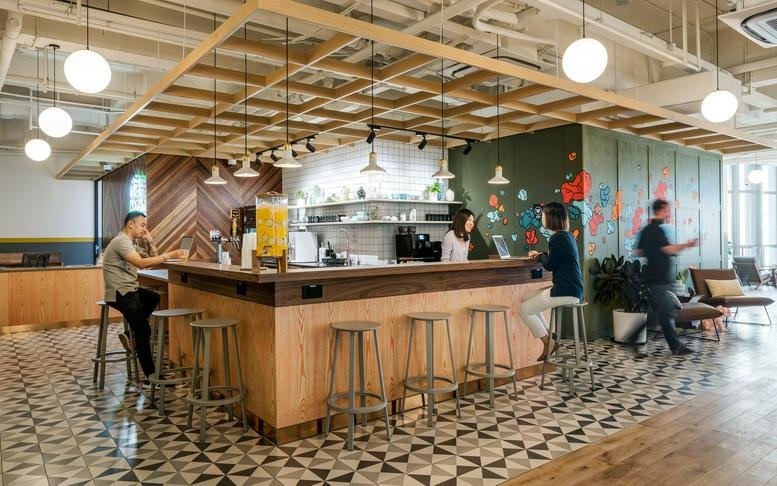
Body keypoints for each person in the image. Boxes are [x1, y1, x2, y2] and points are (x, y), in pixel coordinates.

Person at [102, 211, 188, 384]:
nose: (144, 229)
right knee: (144, 331)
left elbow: (151, 258)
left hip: (129, 290)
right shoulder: (121, 242)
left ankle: (130, 333)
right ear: (130, 224)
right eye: (142, 225)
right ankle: (151, 377)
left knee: (153, 297)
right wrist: (170, 255)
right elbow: (141, 264)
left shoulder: (130, 243)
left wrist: (149, 241)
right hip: (121, 293)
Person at [627, 199, 697, 358]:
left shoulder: (648, 229)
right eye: (667, 210)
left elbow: (639, 251)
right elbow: (668, 249)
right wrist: (687, 245)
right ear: (660, 210)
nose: (669, 213)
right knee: (663, 314)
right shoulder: (655, 230)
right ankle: (634, 338)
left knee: (662, 315)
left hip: (656, 279)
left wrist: (653, 251)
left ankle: (675, 346)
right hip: (657, 280)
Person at [518, 202, 584, 361]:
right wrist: (541, 254)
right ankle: (550, 335)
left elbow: (549, 265)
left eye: (544, 215)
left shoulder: (556, 238)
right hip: (574, 288)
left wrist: (541, 256)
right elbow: (557, 256)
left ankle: (548, 342)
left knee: (524, 309)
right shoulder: (567, 236)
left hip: (565, 289)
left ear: (551, 218)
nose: (542, 217)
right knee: (527, 299)